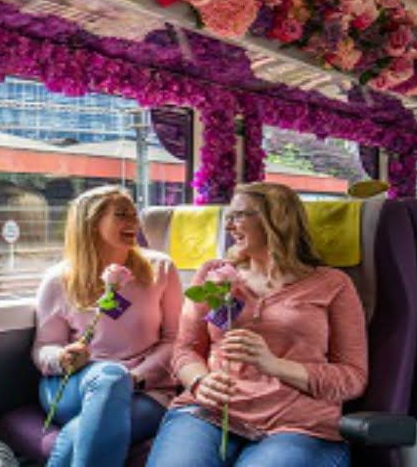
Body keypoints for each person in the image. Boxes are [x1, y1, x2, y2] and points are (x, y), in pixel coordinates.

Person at [148, 182, 367, 467]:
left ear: (276, 219)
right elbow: (185, 351)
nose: (229, 227)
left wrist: (273, 365)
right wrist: (200, 382)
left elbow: (353, 378)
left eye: (239, 216)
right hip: (210, 414)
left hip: (297, 426)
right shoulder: (215, 275)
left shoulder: (333, 285)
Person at [32, 185, 183, 467]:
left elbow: (175, 339)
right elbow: (44, 347)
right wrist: (60, 358)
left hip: (145, 387)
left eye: (134, 214)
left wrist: (135, 376)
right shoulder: (58, 279)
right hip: (72, 385)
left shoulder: (161, 268)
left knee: (80, 432)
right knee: (108, 376)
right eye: (121, 215)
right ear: (91, 223)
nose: (133, 223)